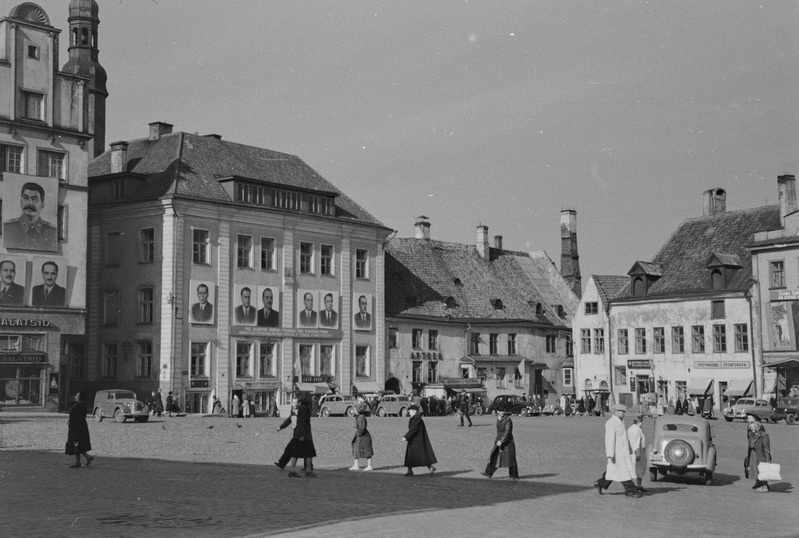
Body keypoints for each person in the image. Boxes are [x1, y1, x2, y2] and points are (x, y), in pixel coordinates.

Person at [593, 404, 641, 497]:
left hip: (623, 451)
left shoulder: (620, 422)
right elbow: (609, 439)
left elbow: (624, 437)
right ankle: (630, 490)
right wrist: (610, 454)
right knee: (623, 471)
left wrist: (629, 448)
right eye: (622, 412)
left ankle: (599, 483)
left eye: (624, 412)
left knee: (613, 471)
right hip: (616, 452)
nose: (624, 414)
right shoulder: (611, 423)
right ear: (616, 412)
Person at [3, 181, 58, 251]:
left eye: (34, 199)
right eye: (25, 198)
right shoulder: (8, 228)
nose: (29, 203)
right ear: (21, 202)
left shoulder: (52, 232)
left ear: (42, 205)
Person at [482, 408, 519, 479]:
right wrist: (497, 440)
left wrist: (501, 441)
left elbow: (507, 432)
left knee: (511, 458)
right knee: (494, 455)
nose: (502, 413)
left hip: (507, 442)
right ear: (497, 411)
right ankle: (488, 472)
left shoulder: (508, 420)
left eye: (503, 411)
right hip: (499, 439)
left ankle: (514, 475)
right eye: (500, 411)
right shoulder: (498, 418)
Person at [401, 404, 437, 476]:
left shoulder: (417, 418)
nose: (409, 412)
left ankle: (430, 467)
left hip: (418, 440)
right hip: (413, 439)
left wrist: (406, 436)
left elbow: (414, 429)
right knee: (410, 456)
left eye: (410, 411)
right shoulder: (414, 418)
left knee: (422, 455)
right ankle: (409, 470)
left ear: (414, 411)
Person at [289, 392, 317, 477]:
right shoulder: (304, 408)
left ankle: (298, 469)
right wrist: (302, 435)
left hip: (301, 433)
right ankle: (301, 470)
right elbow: (302, 423)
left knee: (304, 452)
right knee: (306, 452)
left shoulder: (302, 407)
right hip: (304, 434)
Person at [65, 391, 94, 468]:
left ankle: (88, 457)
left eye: (77, 396)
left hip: (77, 428)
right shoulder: (79, 405)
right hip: (78, 426)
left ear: (80, 398)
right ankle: (78, 462)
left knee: (77, 443)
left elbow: (78, 417)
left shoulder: (79, 406)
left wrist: (74, 425)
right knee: (77, 444)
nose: (75, 397)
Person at [745, 413, 772, 492]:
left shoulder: (763, 433)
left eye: (749, 418)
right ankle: (758, 483)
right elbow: (749, 438)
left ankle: (764, 486)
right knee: (755, 469)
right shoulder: (751, 431)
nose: (748, 420)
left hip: (760, 453)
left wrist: (768, 459)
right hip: (753, 452)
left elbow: (766, 447)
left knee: (762, 469)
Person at [275, 397, 299, 470]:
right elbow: (289, 420)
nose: (295, 404)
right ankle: (282, 463)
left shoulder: (301, 411)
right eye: (294, 402)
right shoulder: (293, 411)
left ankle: (309, 467)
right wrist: (281, 427)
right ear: (291, 403)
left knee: (299, 451)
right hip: (296, 434)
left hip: (300, 434)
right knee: (289, 449)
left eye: (297, 402)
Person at [349, 403, 374, 471]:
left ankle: (369, 465)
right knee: (356, 449)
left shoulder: (361, 417)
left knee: (367, 450)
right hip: (360, 436)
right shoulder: (359, 416)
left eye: (354, 409)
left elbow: (362, 428)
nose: (353, 410)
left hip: (364, 437)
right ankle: (356, 465)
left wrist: (359, 433)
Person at [627, 415, 647, 492]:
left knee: (637, 469)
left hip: (634, 452)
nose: (642, 424)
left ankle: (638, 485)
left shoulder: (631, 429)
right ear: (639, 422)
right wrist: (638, 453)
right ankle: (632, 487)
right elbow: (636, 442)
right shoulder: (636, 430)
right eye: (642, 422)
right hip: (637, 452)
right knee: (636, 469)